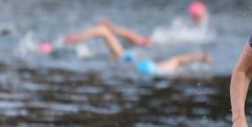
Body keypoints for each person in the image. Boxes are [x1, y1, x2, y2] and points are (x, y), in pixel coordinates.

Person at [64, 18, 210, 76]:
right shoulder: (159, 63)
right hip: (138, 63)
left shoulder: (146, 51)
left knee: (103, 32)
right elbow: (178, 60)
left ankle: (75, 39)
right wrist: (202, 57)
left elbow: (178, 60)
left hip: (128, 60)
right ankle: (76, 39)